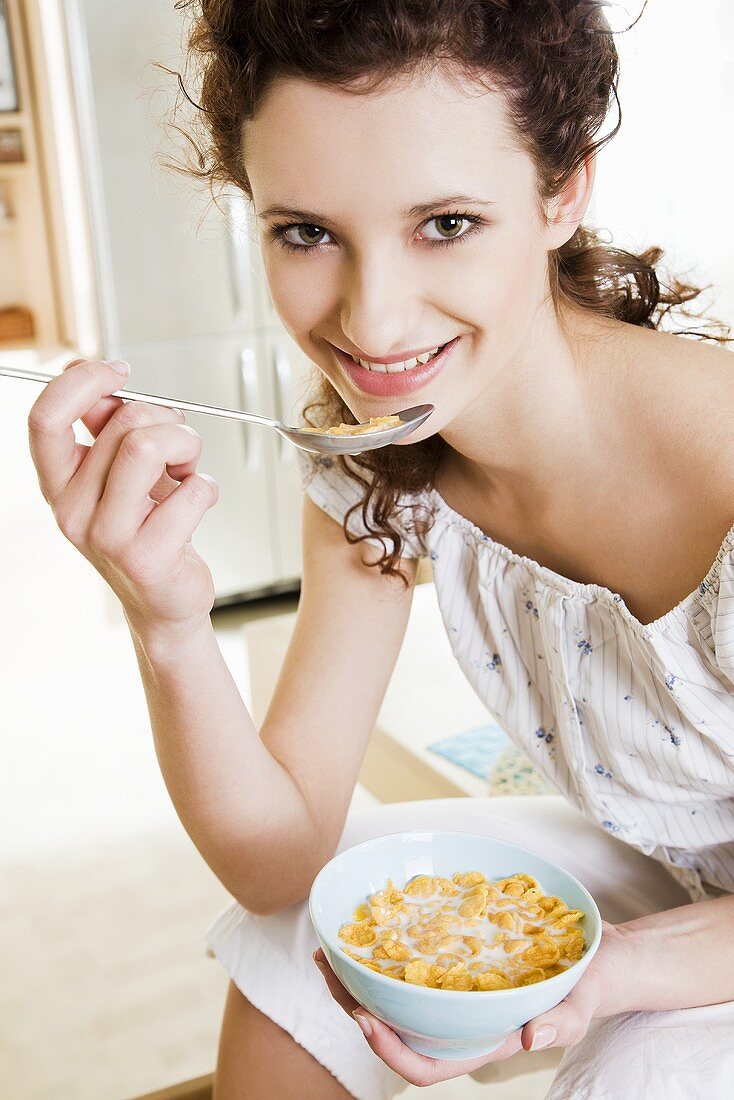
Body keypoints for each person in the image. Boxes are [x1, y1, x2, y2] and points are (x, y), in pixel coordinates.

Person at [27, 1, 734, 1097]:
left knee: (631, 1070)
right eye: (306, 232)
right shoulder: (377, 467)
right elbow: (279, 858)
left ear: (561, 191)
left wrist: (613, 974)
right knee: (301, 941)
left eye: (444, 223)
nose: (374, 321)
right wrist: (167, 621)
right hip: (685, 876)